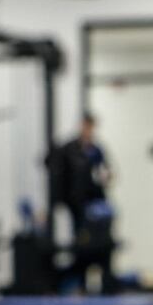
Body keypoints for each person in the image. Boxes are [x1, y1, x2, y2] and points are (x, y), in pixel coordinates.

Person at [46, 112, 113, 291]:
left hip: (95, 208)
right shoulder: (69, 149)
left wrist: (106, 178)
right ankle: (80, 285)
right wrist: (58, 200)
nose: (88, 130)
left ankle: (102, 285)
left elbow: (107, 171)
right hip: (76, 206)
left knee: (99, 247)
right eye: (86, 126)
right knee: (80, 246)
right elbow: (57, 173)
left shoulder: (97, 150)